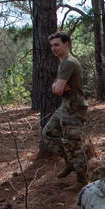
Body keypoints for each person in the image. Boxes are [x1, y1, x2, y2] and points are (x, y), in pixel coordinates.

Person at [41, 31, 88, 185]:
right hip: (66, 105)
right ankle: (70, 161)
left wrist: (57, 86)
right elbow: (56, 87)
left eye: (57, 45)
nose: (53, 48)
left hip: (74, 106)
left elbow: (57, 89)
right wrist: (57, 86)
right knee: (48, 132)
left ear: (66, 44)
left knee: (73, 143)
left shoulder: (69, 62)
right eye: (52, 46)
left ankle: (82, 181)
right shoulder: (63, 62)